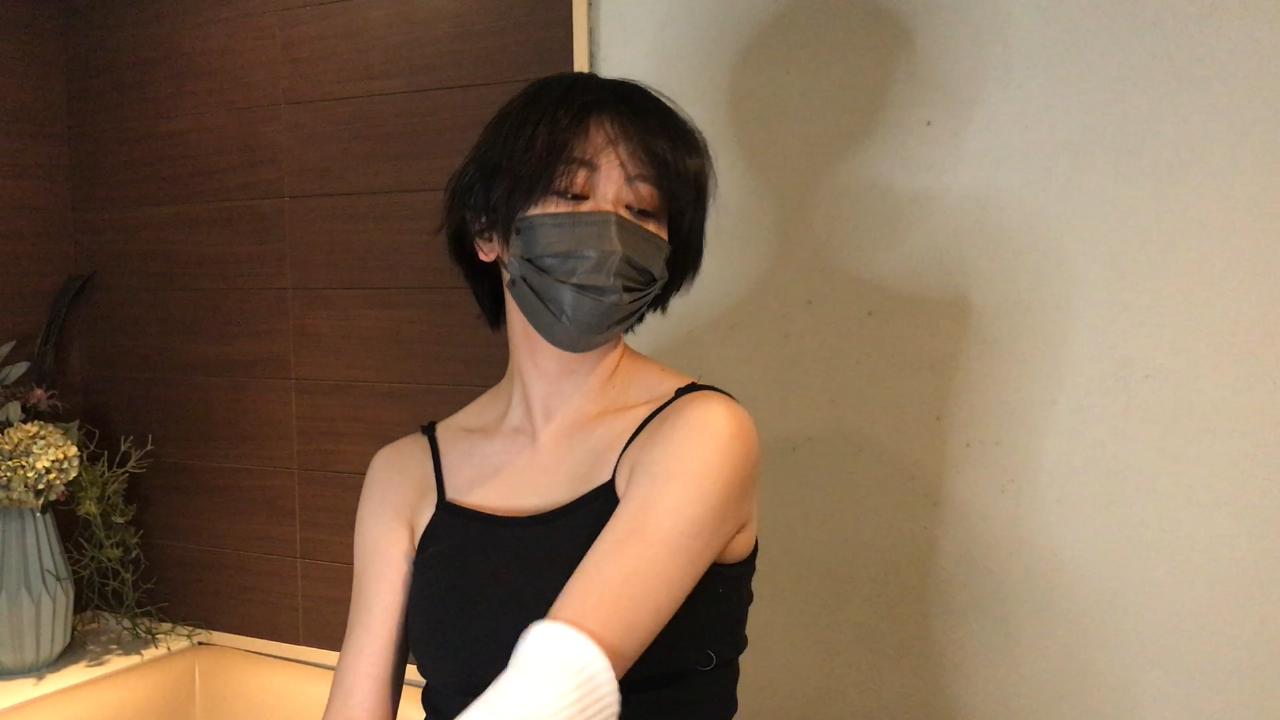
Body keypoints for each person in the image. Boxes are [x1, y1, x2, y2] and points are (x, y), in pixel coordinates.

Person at [320, 71, 759, 720]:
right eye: (569, 192)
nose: (607, 229)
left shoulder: (701, 432)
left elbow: (557, 690)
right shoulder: (404, 472)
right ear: (487, 230)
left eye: (642, 210)